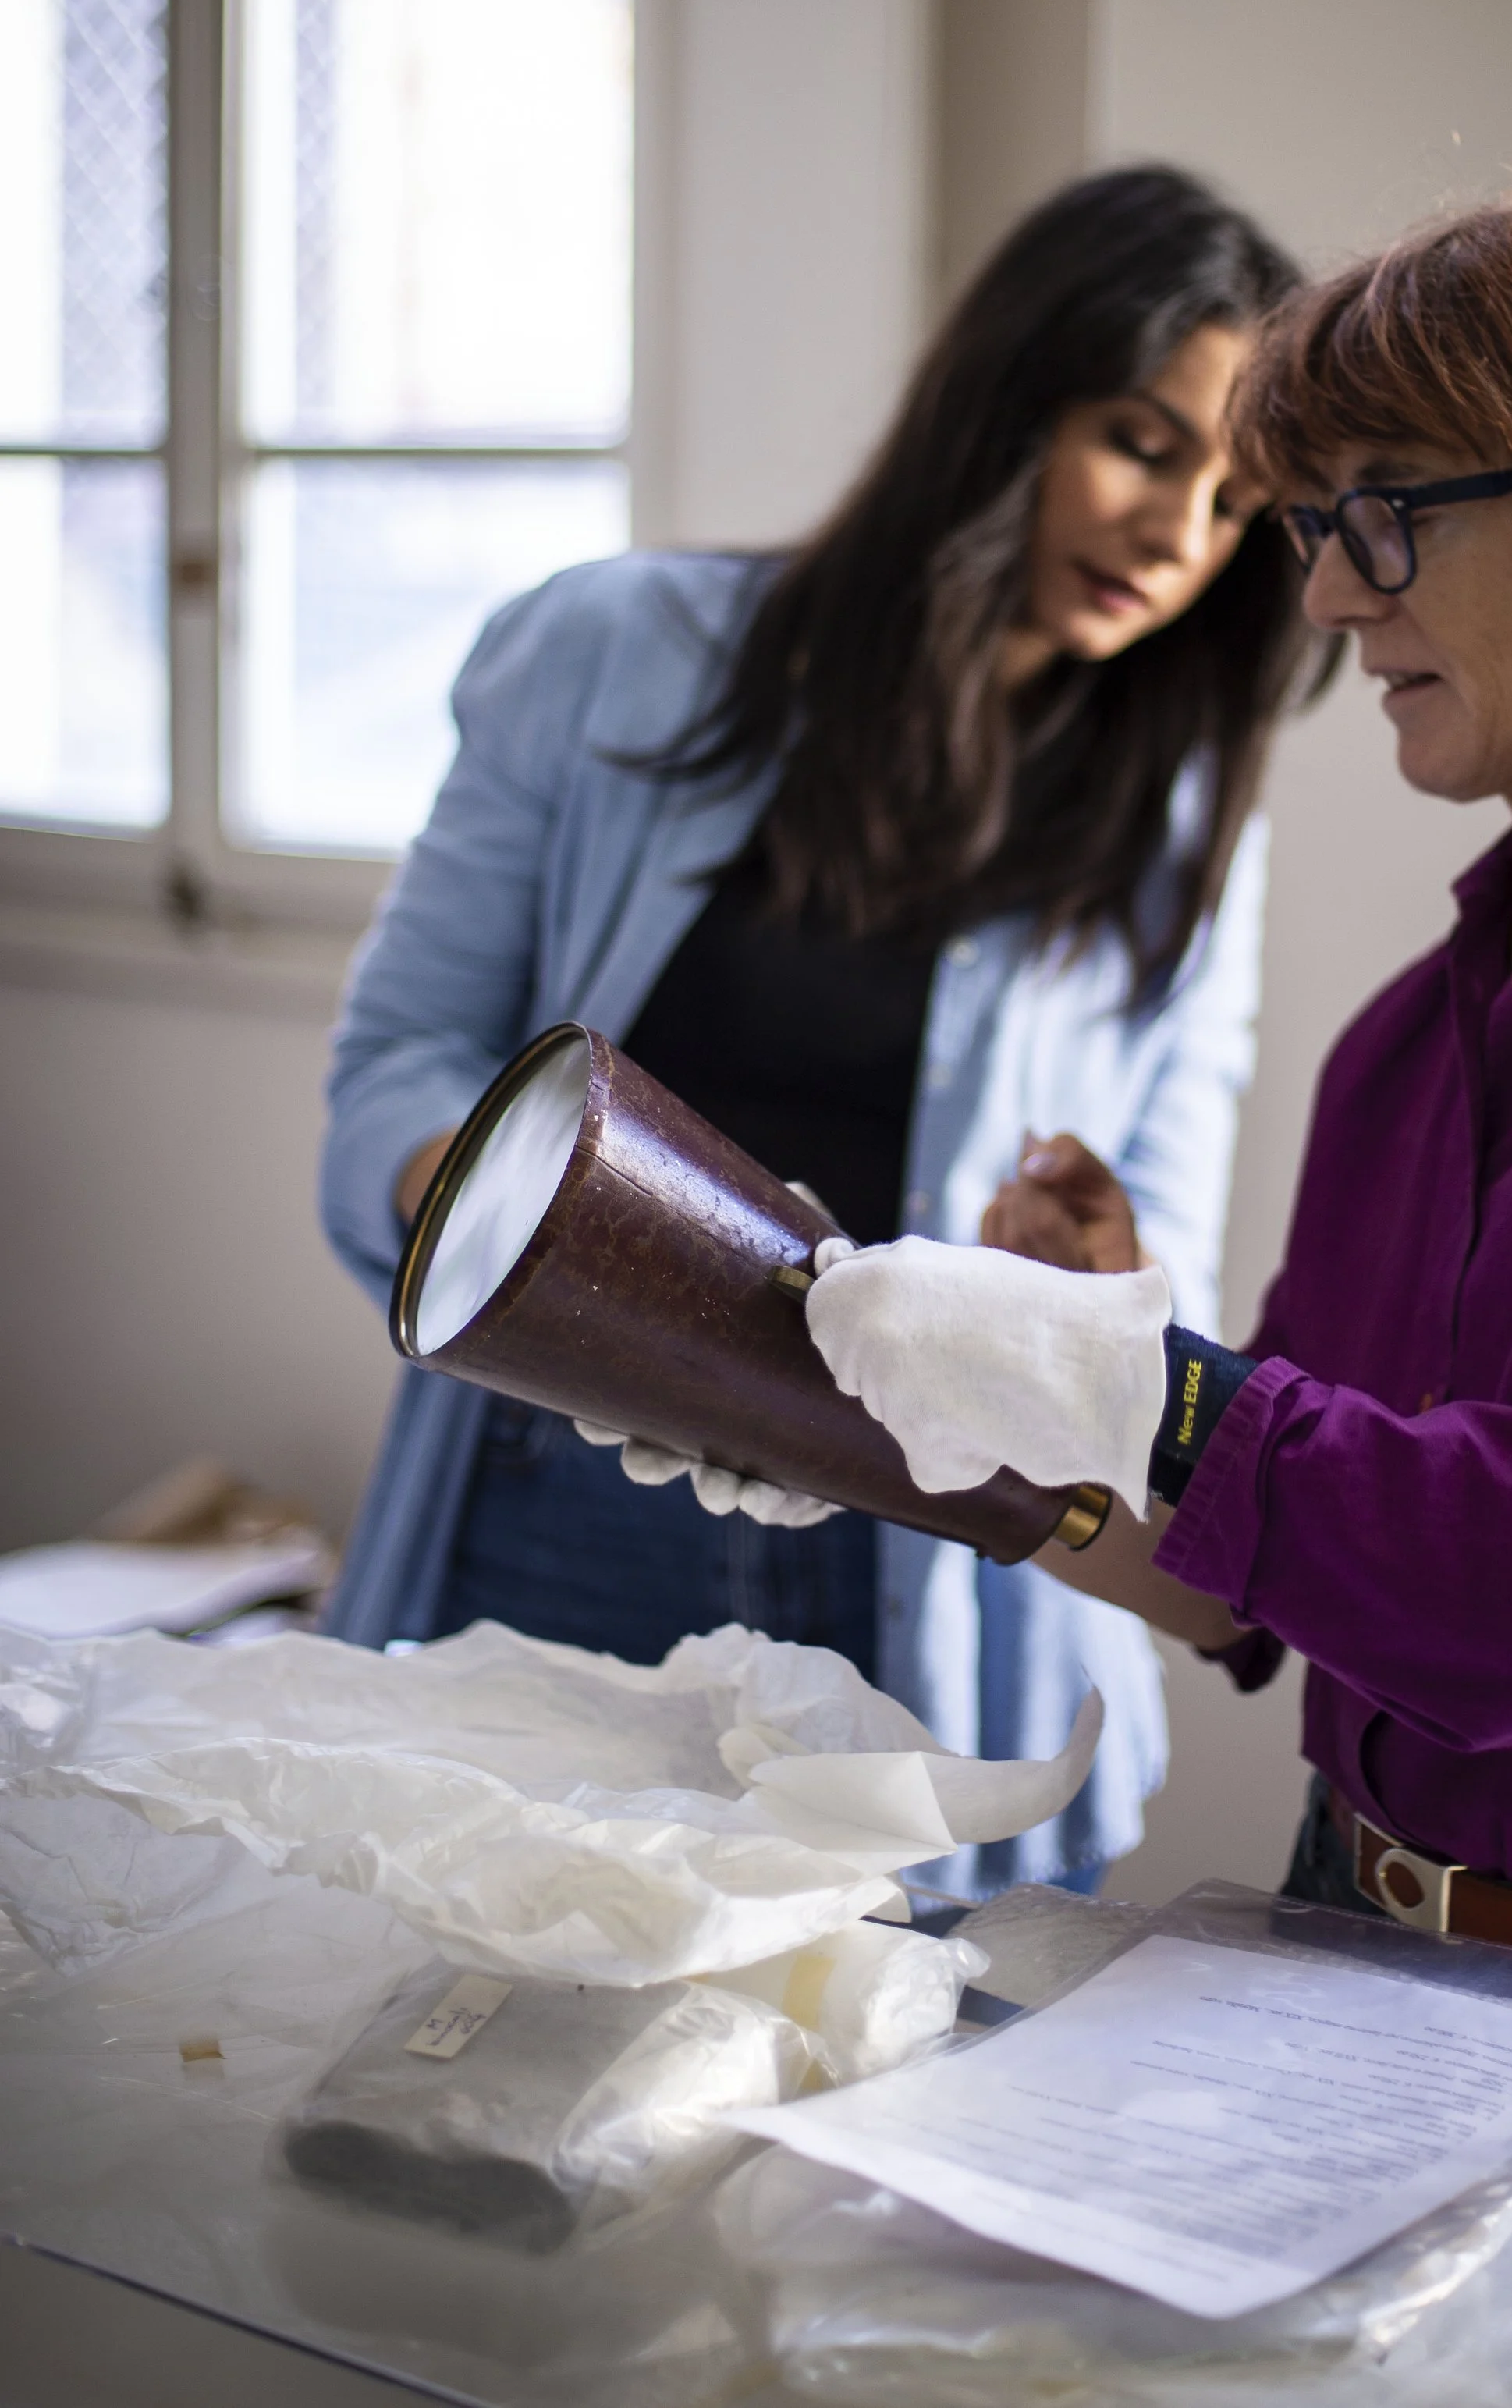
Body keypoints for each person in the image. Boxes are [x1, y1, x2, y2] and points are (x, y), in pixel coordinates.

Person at [805, 179, 1512, 2111]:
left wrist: (1150, 1393)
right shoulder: (1408, 1042)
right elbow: (1256, 1585)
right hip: (1351, 1920)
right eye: (1319, 529)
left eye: (1386, 516)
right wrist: (966, 1416)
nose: (1329, 596)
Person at [320, 163, 1326, 1895]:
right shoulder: (608, 651)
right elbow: (394, 1077)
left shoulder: (1181, 830)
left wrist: (1082, 1281)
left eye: (1233, 503)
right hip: (561, 1514)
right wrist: (555, 1245)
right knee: (474, 2062)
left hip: (931, 1574)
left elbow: (1170, 1282)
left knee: (862, 2098)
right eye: (1141, 444)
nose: (1174, 538)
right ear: (1001, 399)